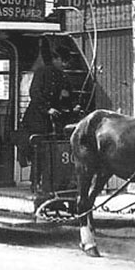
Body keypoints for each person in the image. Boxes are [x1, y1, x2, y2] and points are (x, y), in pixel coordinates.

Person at [18, 46, 80, 193]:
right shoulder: (42, 73)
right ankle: (35, 183)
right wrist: (47, 109)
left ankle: (51, 184)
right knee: (38, 152)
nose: (64, 65)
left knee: (51, 153)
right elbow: (35, 93)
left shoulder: (63, 77)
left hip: (53, 121)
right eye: (62, 62)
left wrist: (74, 106)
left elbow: (68, 95)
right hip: (36, 120)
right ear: (56, 59)